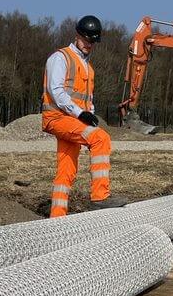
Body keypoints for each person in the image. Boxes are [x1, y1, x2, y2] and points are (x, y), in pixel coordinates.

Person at [41, 15, 128, 218]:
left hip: (73, 120)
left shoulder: (88, 68)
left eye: (93, 42)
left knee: (66, 171)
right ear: (78, 35)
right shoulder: (60, 58)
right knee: (101, 138)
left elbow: (87, 99)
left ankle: (57, 218)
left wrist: (88, 111)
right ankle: (100, 197)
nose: (90, 45)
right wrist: (81, 113)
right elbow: (56, 91)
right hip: (58, 118)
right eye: (87, 40)